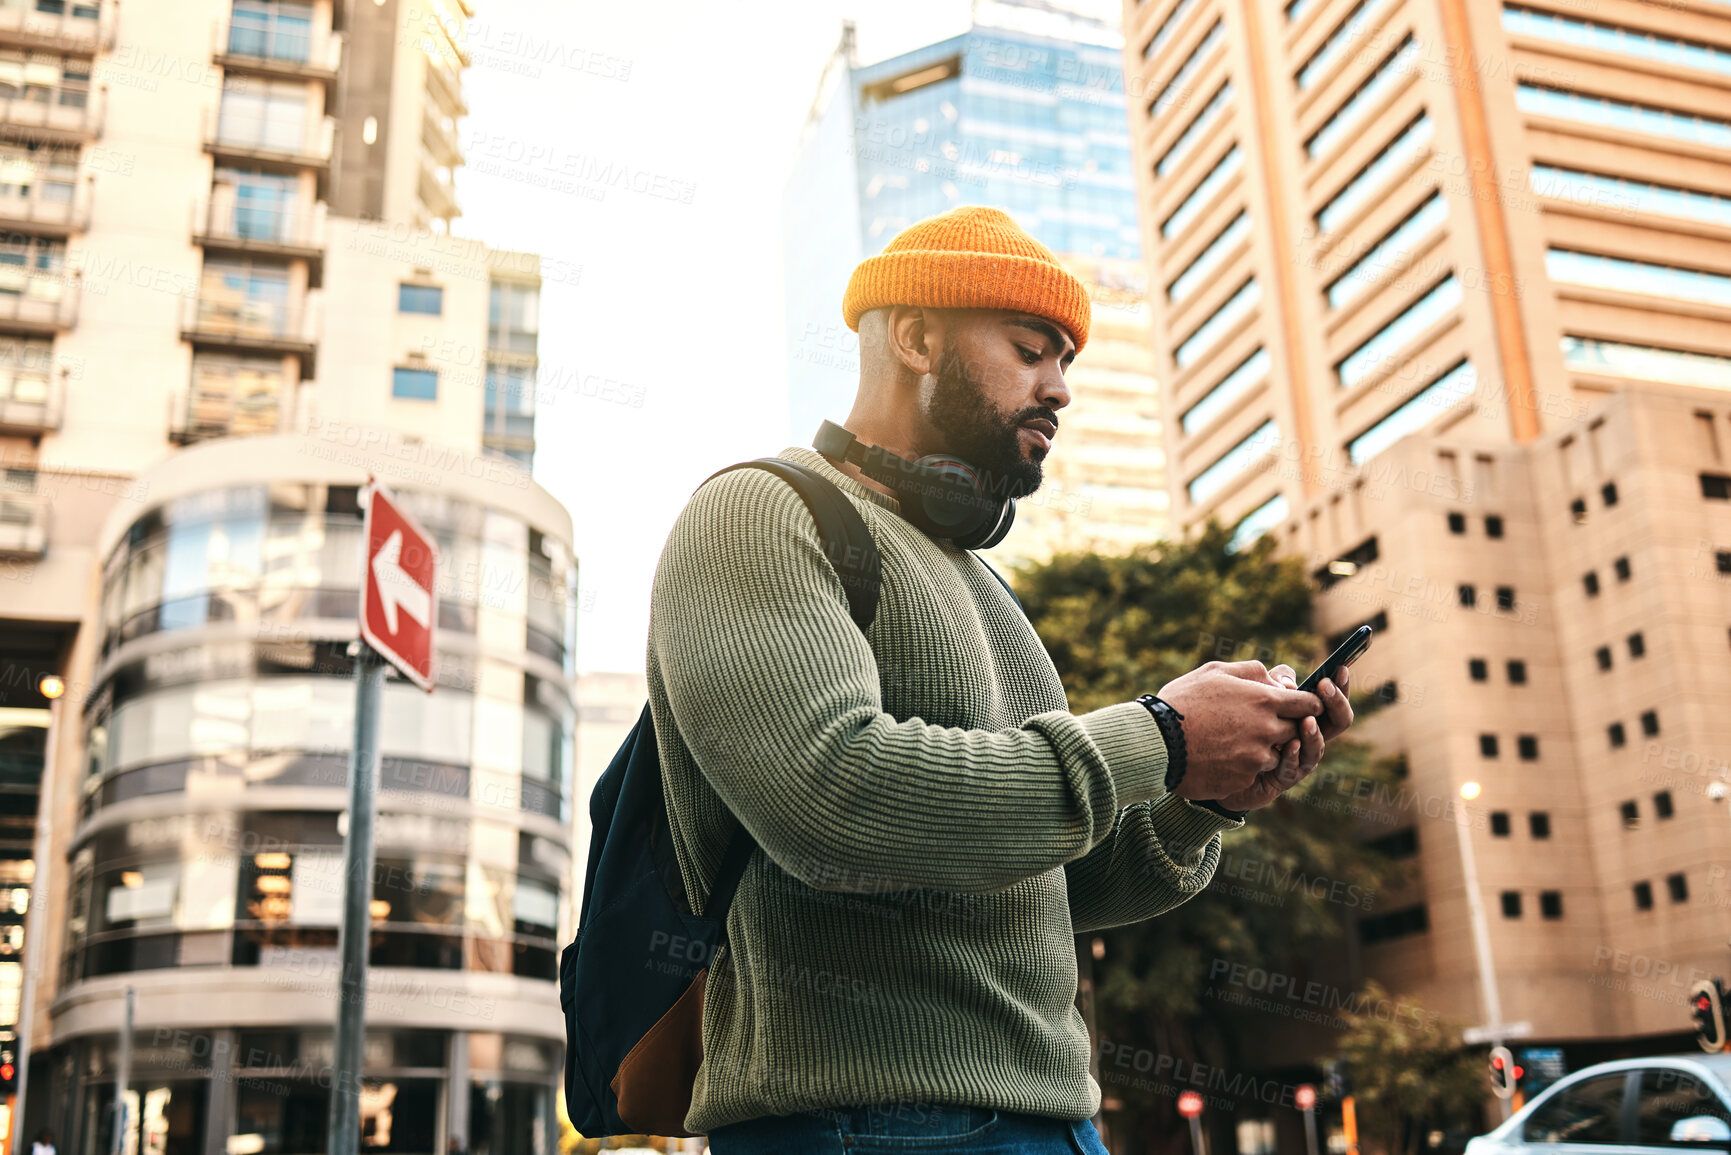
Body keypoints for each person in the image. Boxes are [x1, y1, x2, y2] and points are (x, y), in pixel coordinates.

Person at [647, 205, 1355, 1153]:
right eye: (1030, 349)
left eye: (1066, 361)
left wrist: (1204, 796)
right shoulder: (757, 514)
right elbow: (834, 803)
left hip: (1055, 1119)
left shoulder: (986, 587)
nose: (1058, 388)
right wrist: (1163, 733)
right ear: (913, 337)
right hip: (864, 1126)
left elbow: (1054, 880)